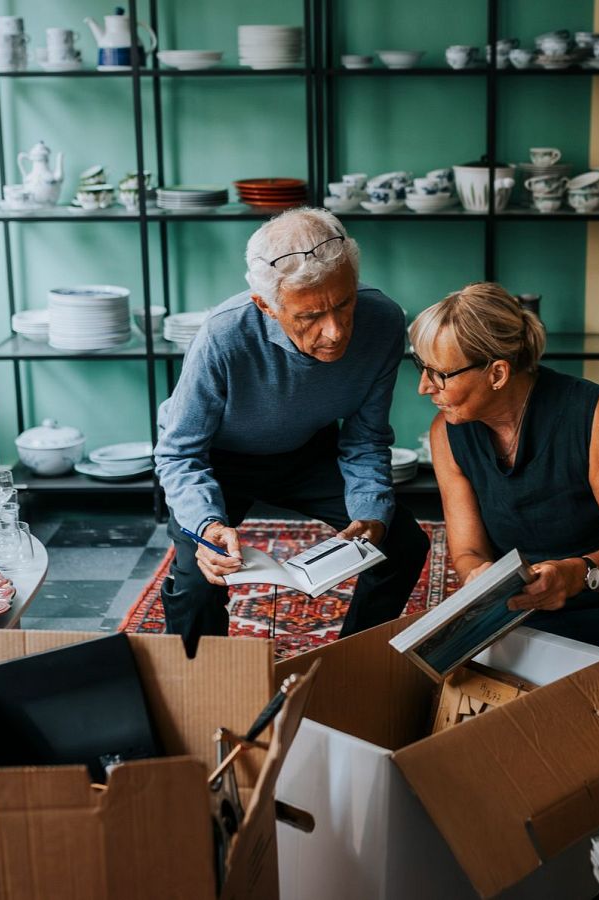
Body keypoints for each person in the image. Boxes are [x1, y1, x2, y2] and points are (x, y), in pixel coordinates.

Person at [154, 208, 430, 652]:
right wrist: (206, 525)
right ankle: (195, 678)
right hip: (217, 457)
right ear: (266, 306)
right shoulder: (223, 335)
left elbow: (366, 436)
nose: (335, 331)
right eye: (310, 316)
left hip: (307, 448)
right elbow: (179, 453)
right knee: (200, 581)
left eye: (344, 304)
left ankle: (352, 660)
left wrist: (371, 512)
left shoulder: (383, 322)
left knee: (400, 542)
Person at [409, 282, 599, 691]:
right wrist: (480, 577)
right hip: (518, 608)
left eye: (440, 374)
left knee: (568, 699)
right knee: (439, 687)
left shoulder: (591, 412)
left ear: (497, 373)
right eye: (422, 367)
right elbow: (468, 551)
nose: (424, 386)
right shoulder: (447, 433)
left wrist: (574, 574)